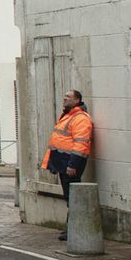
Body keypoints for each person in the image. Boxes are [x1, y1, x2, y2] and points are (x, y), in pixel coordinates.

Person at [42, 89, 94, 240]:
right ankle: (71, 228)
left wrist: (73, 165)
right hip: (63, 162)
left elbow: (80, 144)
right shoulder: (68, 115)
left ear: (77, 100)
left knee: (73, 197)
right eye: (64, 96)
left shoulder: (80, 118)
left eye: (68, 97)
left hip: (70, 163)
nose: (65, 98)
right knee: (69, 196)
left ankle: (74, 229)